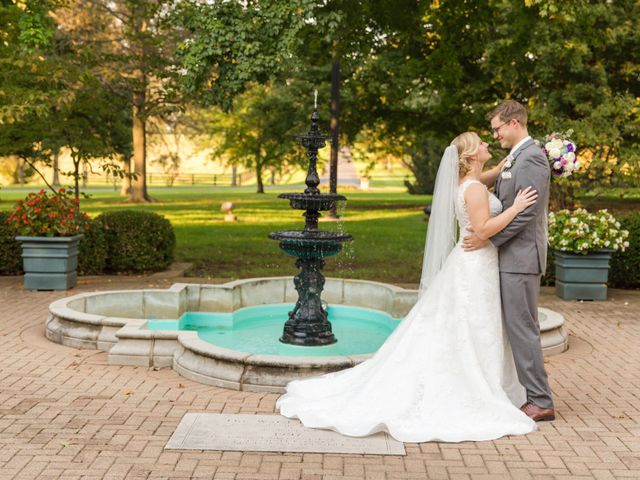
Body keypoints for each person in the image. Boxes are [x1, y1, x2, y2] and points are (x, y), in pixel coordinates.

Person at [276, 131, 540, 443]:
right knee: (475, 326)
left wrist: (507, 164)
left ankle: (479, 378)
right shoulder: (476, 191)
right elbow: (482, 229)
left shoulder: (469, 184)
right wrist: (516, 207)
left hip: (470, 263)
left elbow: (485, 182)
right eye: (481, 143)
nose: (487, 145)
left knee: (468, 327)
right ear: (470, 157)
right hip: (476, 264)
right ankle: (476, 386)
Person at [463, 100, 555, 422]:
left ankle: (541, 401)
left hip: (521, 258)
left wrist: (489, 238)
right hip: (511, 257)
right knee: (517, 328)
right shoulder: (516, 157)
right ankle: (527, 393)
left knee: (523, 329)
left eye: (498, 128)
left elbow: (527, 214)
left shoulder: (531, 159)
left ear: (514, 123)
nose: (496, 134)